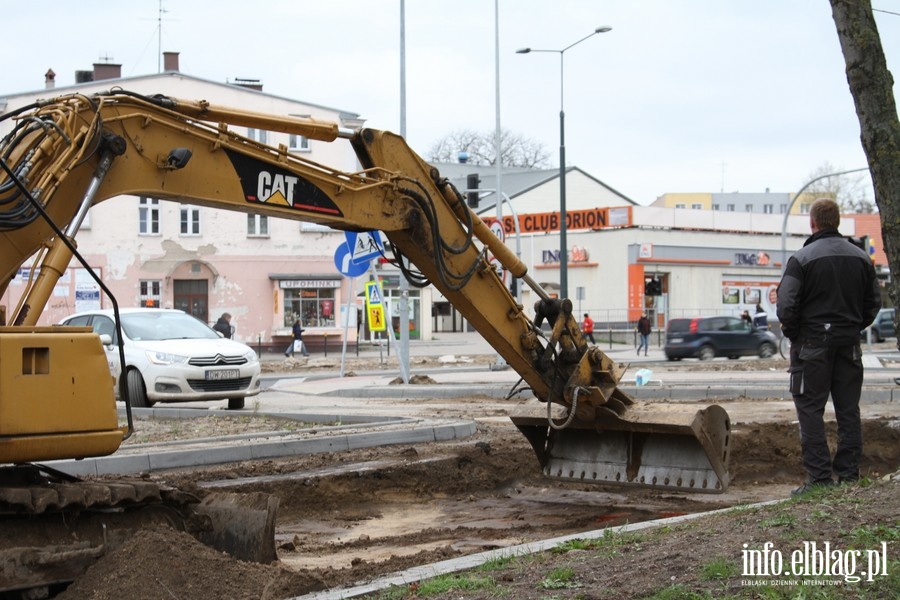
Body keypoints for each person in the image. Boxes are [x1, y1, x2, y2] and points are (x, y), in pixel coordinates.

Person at [776, 198, 880, 496]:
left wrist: (797, 334)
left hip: (811, 347)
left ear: (813, 223)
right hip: (848, 345)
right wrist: (852, 328)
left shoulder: (802, 259)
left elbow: (786, 305)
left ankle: (819, 479)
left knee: (810, 409)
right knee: (848, 410)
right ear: (837, 222)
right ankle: (849, 475)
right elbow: (872, 303)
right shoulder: (861, 258)